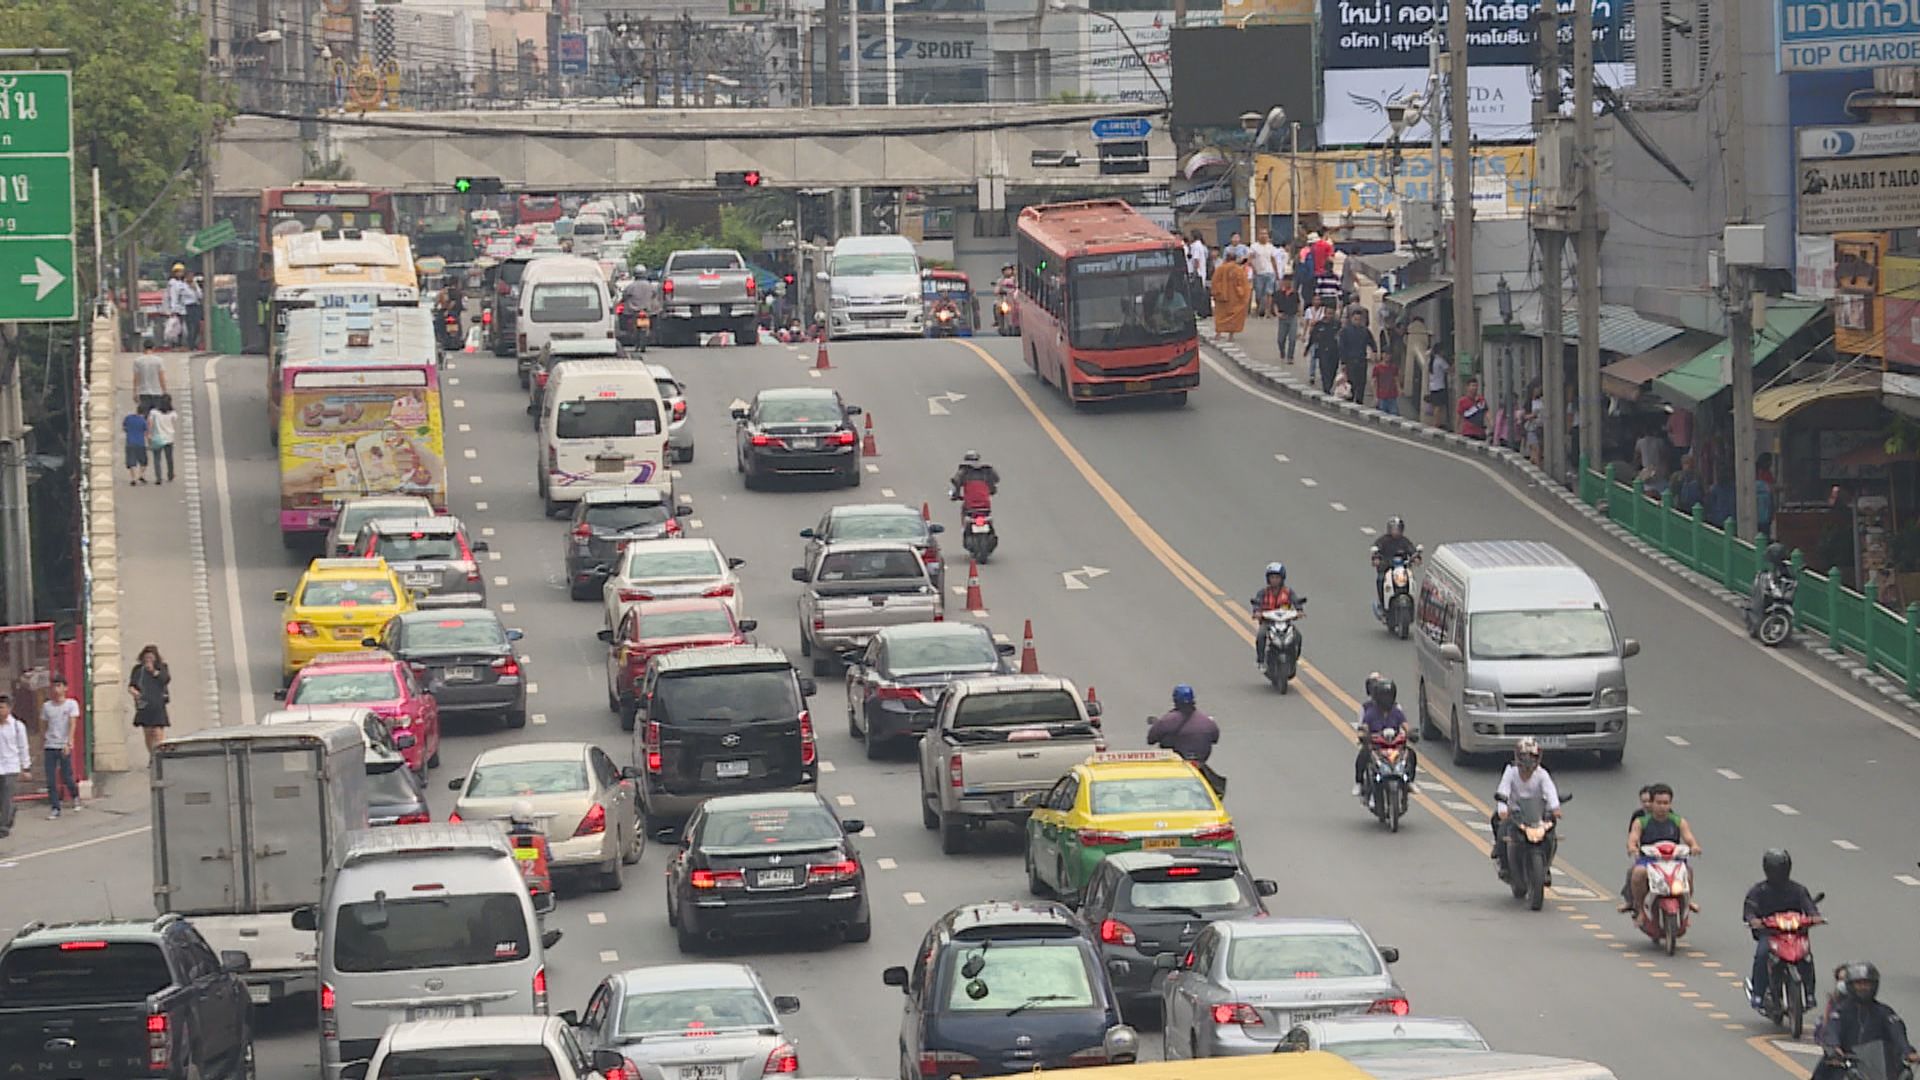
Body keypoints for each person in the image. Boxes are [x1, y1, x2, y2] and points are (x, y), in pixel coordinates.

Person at [1743, 849, 1823, 1012]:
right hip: (1770, 934)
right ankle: (1758, 993)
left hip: (1794, 934)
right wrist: (1754, 920)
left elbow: (1809, 906)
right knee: (1762, 955)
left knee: (1806, 958)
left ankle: (1809, 994)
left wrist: (1815, 917)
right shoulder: (1759, 891)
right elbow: (1749, 910)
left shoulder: (1798, 890)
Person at [1812, 962, 1918, 1080]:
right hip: (1844, 1066)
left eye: (1867, 983)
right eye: (1859, 984)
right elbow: (1832, 1030)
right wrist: (1834, 1047)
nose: (1863, 987)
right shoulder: (1840, 1012)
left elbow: (1897, 1032)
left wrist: (1907, 1051)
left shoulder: (1885, 1012)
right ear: (1850, 985)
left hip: (1879, 1071)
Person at [1621, 782, 1703, 915]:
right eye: (1659, 803)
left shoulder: (1678, 821)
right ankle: (1639, 908)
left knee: (1688, 873)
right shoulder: (1641, 821)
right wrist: (1632, 848)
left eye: (1666, 803)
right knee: (1637, 874)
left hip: (1674, 860)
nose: (1662, 807)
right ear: (1651, 803)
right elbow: (1633, 838)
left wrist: (1694, 846)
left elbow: (1688, 837)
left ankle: (1688, 902)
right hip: (1649, 860)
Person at [1491, 737, 1560, 879]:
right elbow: (1503, 790)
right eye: (1525, 758)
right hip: (1516, 813)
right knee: (1501, 827)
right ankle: (1504, 864)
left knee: (1551, 834)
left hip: (1537, 814)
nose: (1528, 763)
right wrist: (1503, 809)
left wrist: (1555, 808)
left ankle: (1545, 867)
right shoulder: (1510, 771)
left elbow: (1550, 791)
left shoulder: (1542, 774)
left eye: (1532, 757)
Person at [1148, 685, 1224, 795]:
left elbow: (1151, 739)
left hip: (1176, 762)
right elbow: (1215, 738)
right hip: (1200, 761)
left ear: (1175, 700)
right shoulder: (1206, 721)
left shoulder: (1167, 720)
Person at [1352, 675, 1416, 796]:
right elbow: (1364, 726)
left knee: (1411, 754)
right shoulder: (1369, 712)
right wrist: (1364, 735)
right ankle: (1359, 783)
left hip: (1394, 744)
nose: (1386, 699)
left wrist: (1410, 733)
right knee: (1363, 754)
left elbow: (1405, 725)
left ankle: (1409, 781)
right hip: (1377, 746)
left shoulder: (1397, 711)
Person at [40, 676, 80, 819]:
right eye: (54, 686)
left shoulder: (71, 704)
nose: (56, 689)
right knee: (50, 779)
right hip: (50, 745)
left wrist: (69, 743)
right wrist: (42, 742)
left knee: (66, 776)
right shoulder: (47, 706)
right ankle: (55, 807)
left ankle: (75, 796)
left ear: (65, 688)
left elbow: (72, 724)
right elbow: (43, 725)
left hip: (63, 745)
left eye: (59, 686)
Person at [1249, 562, 1299, 666]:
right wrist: (1257, 612)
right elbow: (1257, 604)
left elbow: (1296, 602)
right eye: (1272, 577)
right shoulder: (1263, 592)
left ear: (1282, 578)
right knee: (1261, 635)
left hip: (1285, 622)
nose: (1274, 580)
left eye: (1277, 577)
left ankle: (1295, 658)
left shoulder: (1288, 592)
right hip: (1268, 622)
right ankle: (1261, 661)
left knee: (1298, 636)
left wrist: (1299, 611)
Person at [128, 644, 171, 757]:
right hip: (144, 705)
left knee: (157, 732)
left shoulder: (162, 667)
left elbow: (165, 679)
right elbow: (132, 685)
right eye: (146, 658)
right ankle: (152, 755)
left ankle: (159, 755)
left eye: (151, 658)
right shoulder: (138, 670)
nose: (148, 660)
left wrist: (153, 671)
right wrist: (134, 692)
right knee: (148, 733)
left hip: (157, 704)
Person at [1370, 516, 1417, 613]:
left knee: (1411, 579)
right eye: (1393, 529)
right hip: (1387, 570)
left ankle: (1411, 603)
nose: (1396, 531)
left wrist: (1416, 557)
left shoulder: (1404, 541)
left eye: (1398, 529)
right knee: (1380, 579)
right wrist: (1376, 559)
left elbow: (1411, 550)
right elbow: (1376, 550)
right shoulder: (1383, 540)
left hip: (1401, 570)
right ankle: (1382, 604)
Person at [949, 450, 999, 528]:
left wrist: (956, 495)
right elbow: (996, 479)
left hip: (970, 507)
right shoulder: (986, 470)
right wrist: (992, 490)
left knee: (964, 510)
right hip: (985, 506)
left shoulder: (964, 470)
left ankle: (964, 529)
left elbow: (956, 481)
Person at [0, 696, 27, 839]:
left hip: (11, 766)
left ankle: (3, 827)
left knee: (7, 797)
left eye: (2, 707)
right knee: (2, 798)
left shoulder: (17, 726)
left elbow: (23, 747)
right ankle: (11, 811)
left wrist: (26, 767)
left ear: (9, 709)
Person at [1210, 252, 1251, 342]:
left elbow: (1214, 282)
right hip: (1235, 298)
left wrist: (1216, 292)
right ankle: (1230, 336)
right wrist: (1242, 294)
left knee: (1220, 315)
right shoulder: (1238, 270)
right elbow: (1243, 284)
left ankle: (1218, 334)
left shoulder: (1220, 269)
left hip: (1222, 297)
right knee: (1234, 316)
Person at [1338, 310, 1375, 404]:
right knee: (1351, 381)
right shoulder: (1345, 331)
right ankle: (1350, 398)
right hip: (1350, 359)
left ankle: (1359, 400)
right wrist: (1343, 362)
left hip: (1362, 359)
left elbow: (1372, 342)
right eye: (1355, 319)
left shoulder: (1365, 331)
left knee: (1362, 381)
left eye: (1359, 319)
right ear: (1351, 319)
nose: (1357, 321)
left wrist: (1374, 352)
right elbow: (1342, 347)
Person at [165, 263, 203, 351]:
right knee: (184, 327)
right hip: (185, 307)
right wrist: (173, 309)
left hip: (195, 306)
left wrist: (194, 288)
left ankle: (192, 344)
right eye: (177, 272)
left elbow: (200, 296)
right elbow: (174, 296)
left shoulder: (193, 284)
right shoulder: (175, 284)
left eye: (181, 272)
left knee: (196, 326)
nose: (179, 274)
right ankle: (185, 345)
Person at [1310, 300, 1343, 394]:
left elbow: (1341, 336)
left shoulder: (1337, 324)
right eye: (1328, 313)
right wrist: (1308, 348)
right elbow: (1313, 336)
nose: (1330, 316)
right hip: (1323, 350)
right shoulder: (1319, 324)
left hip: (1334, 351)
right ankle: (1326, 387)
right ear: (1325, 313)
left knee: (1333, 369)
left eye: (1332, 314)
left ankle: (1329, 384)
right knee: (1324, 369)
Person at [1249, 230, 1278, 317]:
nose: (1263, 235)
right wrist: (1254, 269)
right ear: (1258, 235)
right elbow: (1250, 259)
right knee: (1259, 293)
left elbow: (1273, 260)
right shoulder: (1254, 247)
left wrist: (1276, 272)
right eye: (1261, 234)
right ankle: (1258, 310)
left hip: (1270, 272)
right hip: (1259, 273)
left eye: (1265, 234)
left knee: (1269, 293)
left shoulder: (1271, 247)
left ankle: (1267, 312)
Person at [148, 395, 177, 485]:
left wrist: (149, 434)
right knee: (169, 458)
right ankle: (170, 475)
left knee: (157, 459)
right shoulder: (173, 413)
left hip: (157, 437)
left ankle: (158, 478)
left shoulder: (154, 412)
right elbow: (173, 422)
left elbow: (150, 423)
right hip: (169, 437)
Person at [132, 342, 167, 411]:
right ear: (153, 348)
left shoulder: (137, 361)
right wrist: (164, 391)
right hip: (157, 392)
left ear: (143, 348)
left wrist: (135, 392)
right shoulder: (159, 360)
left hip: (143, 392)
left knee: (145, 416)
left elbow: (136, 378)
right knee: (156, 416)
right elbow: (161, 377)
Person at [122, 403, 150, 486]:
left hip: (130, 442)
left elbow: (124, 427)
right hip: (140, 443)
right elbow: (146, 432)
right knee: (143, 461)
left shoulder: (128, 418)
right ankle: (140, 475)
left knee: (131, 462)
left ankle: (133, 478)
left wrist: (128, 432)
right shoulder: (143, 421)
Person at [1275, 277, 1301, 359]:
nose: (1288, 283)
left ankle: (1290, 357)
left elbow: (1298, 303)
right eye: (1286, 281)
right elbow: (1275, 304)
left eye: (1290, 281)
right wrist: (1277, 313)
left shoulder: (1295, 293)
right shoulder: (1279, 293)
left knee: (1292, 338)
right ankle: (1282, 352)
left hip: (1292, 317)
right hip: (1283, 317)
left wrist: (1300, 313)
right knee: (1280, 339)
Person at [1425, 348, 1451, 428]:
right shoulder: (1440, 360)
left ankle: (1437, 422)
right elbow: (1448, 369)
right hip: (1439, 386)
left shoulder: (1431, 360)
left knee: (1436, 405)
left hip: (1432, 386)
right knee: (1438, 407)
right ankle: (1437, 423)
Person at [1371, 347, 1401, 416]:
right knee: (1382, 416)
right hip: (1381, 396)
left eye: (1389, 354)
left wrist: (1399, 389)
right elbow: (1373, 382)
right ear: (1382, 355)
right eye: (1386, 354)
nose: (1387, 356)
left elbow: (1396, 379)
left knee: (1394, 415)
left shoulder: (1394, 367)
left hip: (1392, 396)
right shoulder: (1377, 368)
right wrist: (1375, 396)